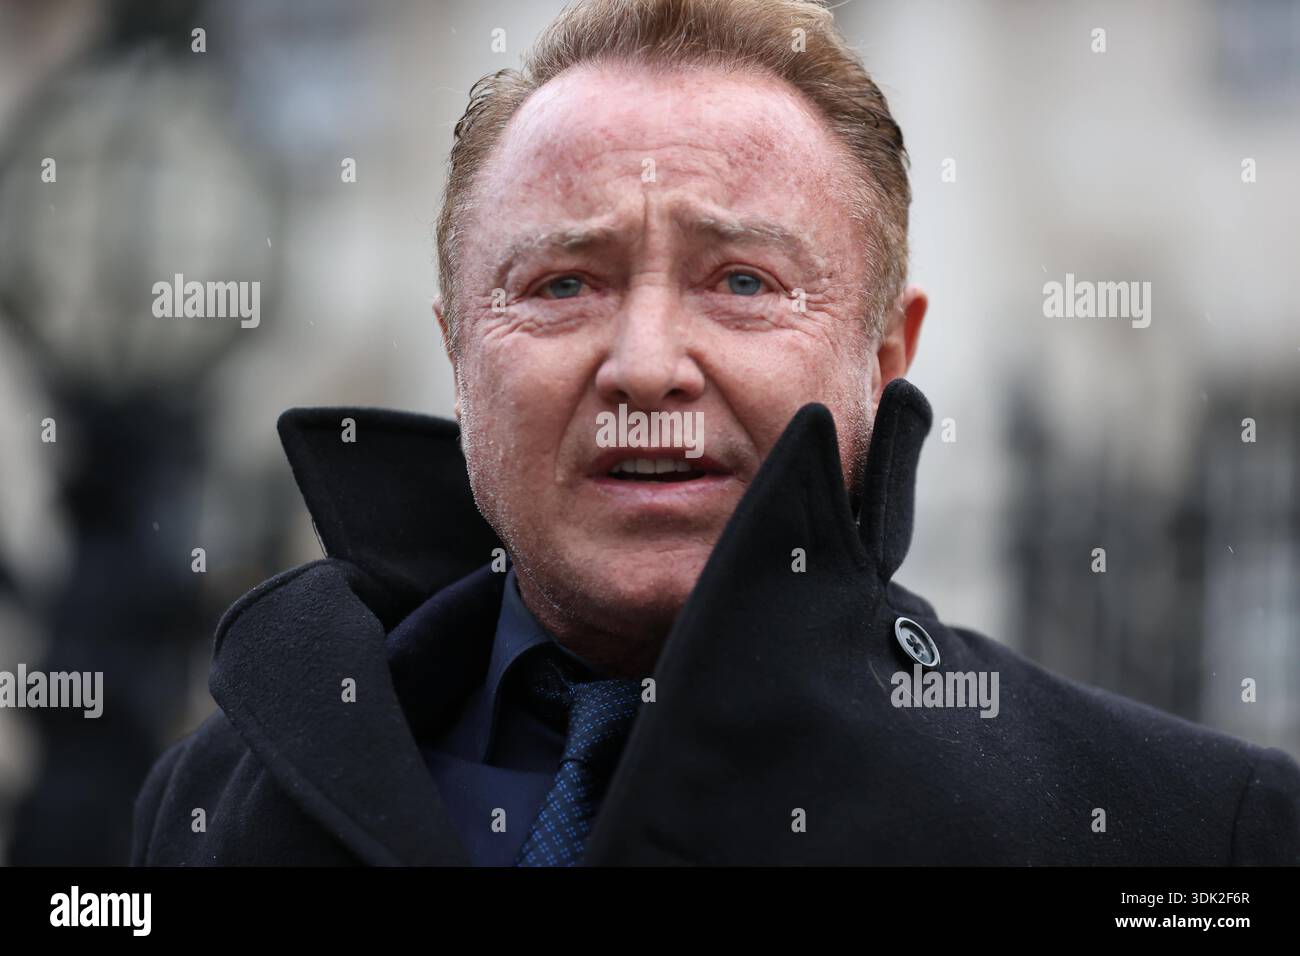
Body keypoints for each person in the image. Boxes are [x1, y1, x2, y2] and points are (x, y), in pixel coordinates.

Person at [132, 0, 1300, 866]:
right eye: (559, 284)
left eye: (741, 281)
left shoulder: (1191, 837)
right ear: (455, 347)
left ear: (885, 354)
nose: (644, 360)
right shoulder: (211, 803)